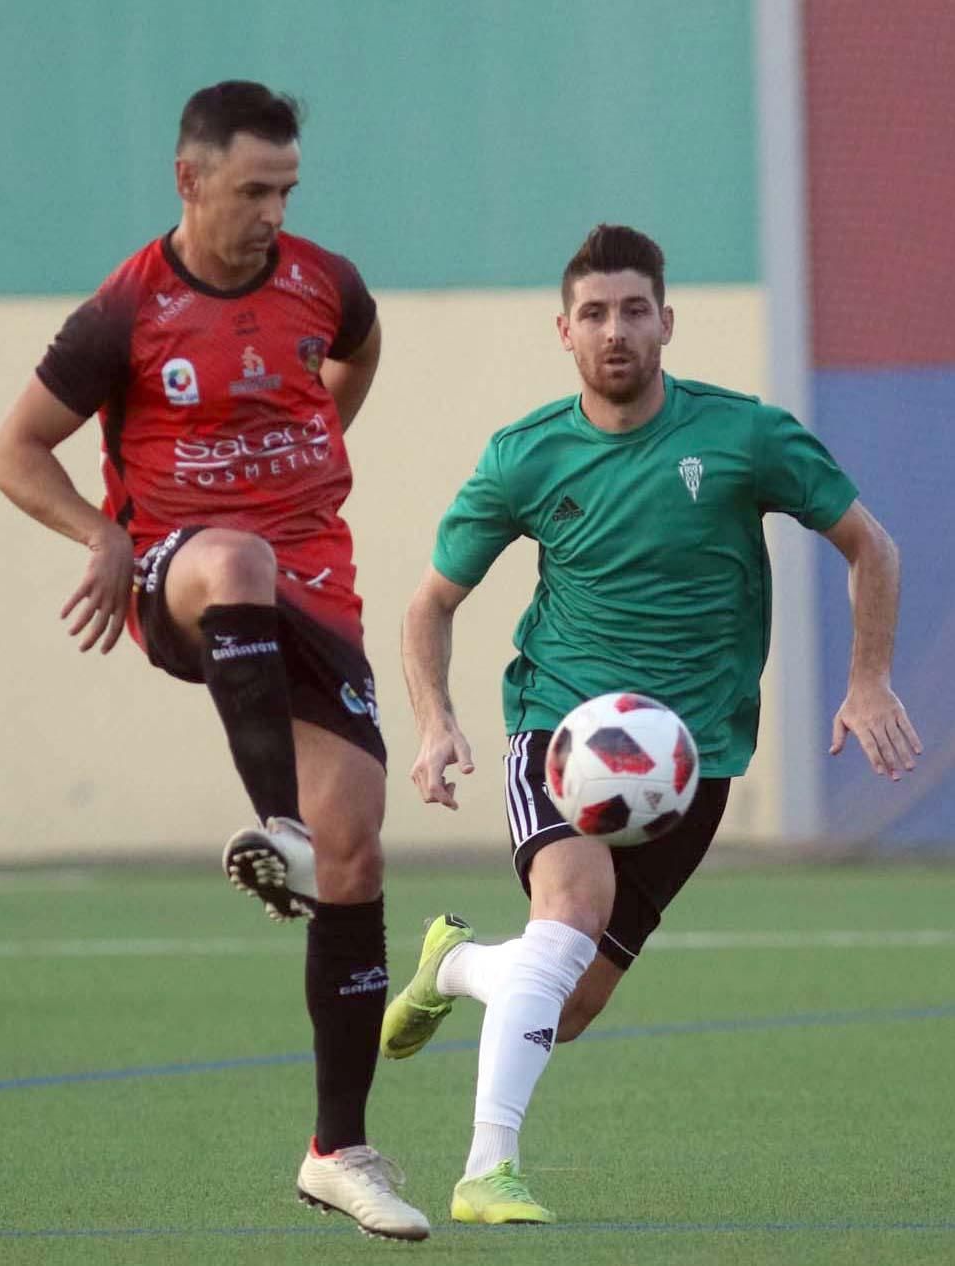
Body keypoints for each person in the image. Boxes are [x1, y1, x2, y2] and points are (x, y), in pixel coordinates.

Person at [380, 223, 922, 1224]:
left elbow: (869, 545)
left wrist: (869, 679)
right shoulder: (524, 455)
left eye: (634, 309)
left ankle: (452, 965)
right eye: (593, 313)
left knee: (569, 1003)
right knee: (569, 915)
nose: (614, 329)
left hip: (694, 759)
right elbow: (427, 604)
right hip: (561, 731)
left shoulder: (744, 436)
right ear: (563, 330)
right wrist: (436, 722)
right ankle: (484, 1168)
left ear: (666, 321)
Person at [0, 81, 429, 1242]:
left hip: (312, 577)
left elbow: (360, 353)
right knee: (231, 556)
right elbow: (12, 450)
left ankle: (339, 1149)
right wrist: (104, 533)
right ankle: (268, 822)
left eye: (286, 189)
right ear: (189, 182)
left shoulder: (323, 282)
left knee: (359, 844)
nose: (273, 211)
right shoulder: (127, 310)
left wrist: (315, 444)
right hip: (185, 574)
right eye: (251, 190)